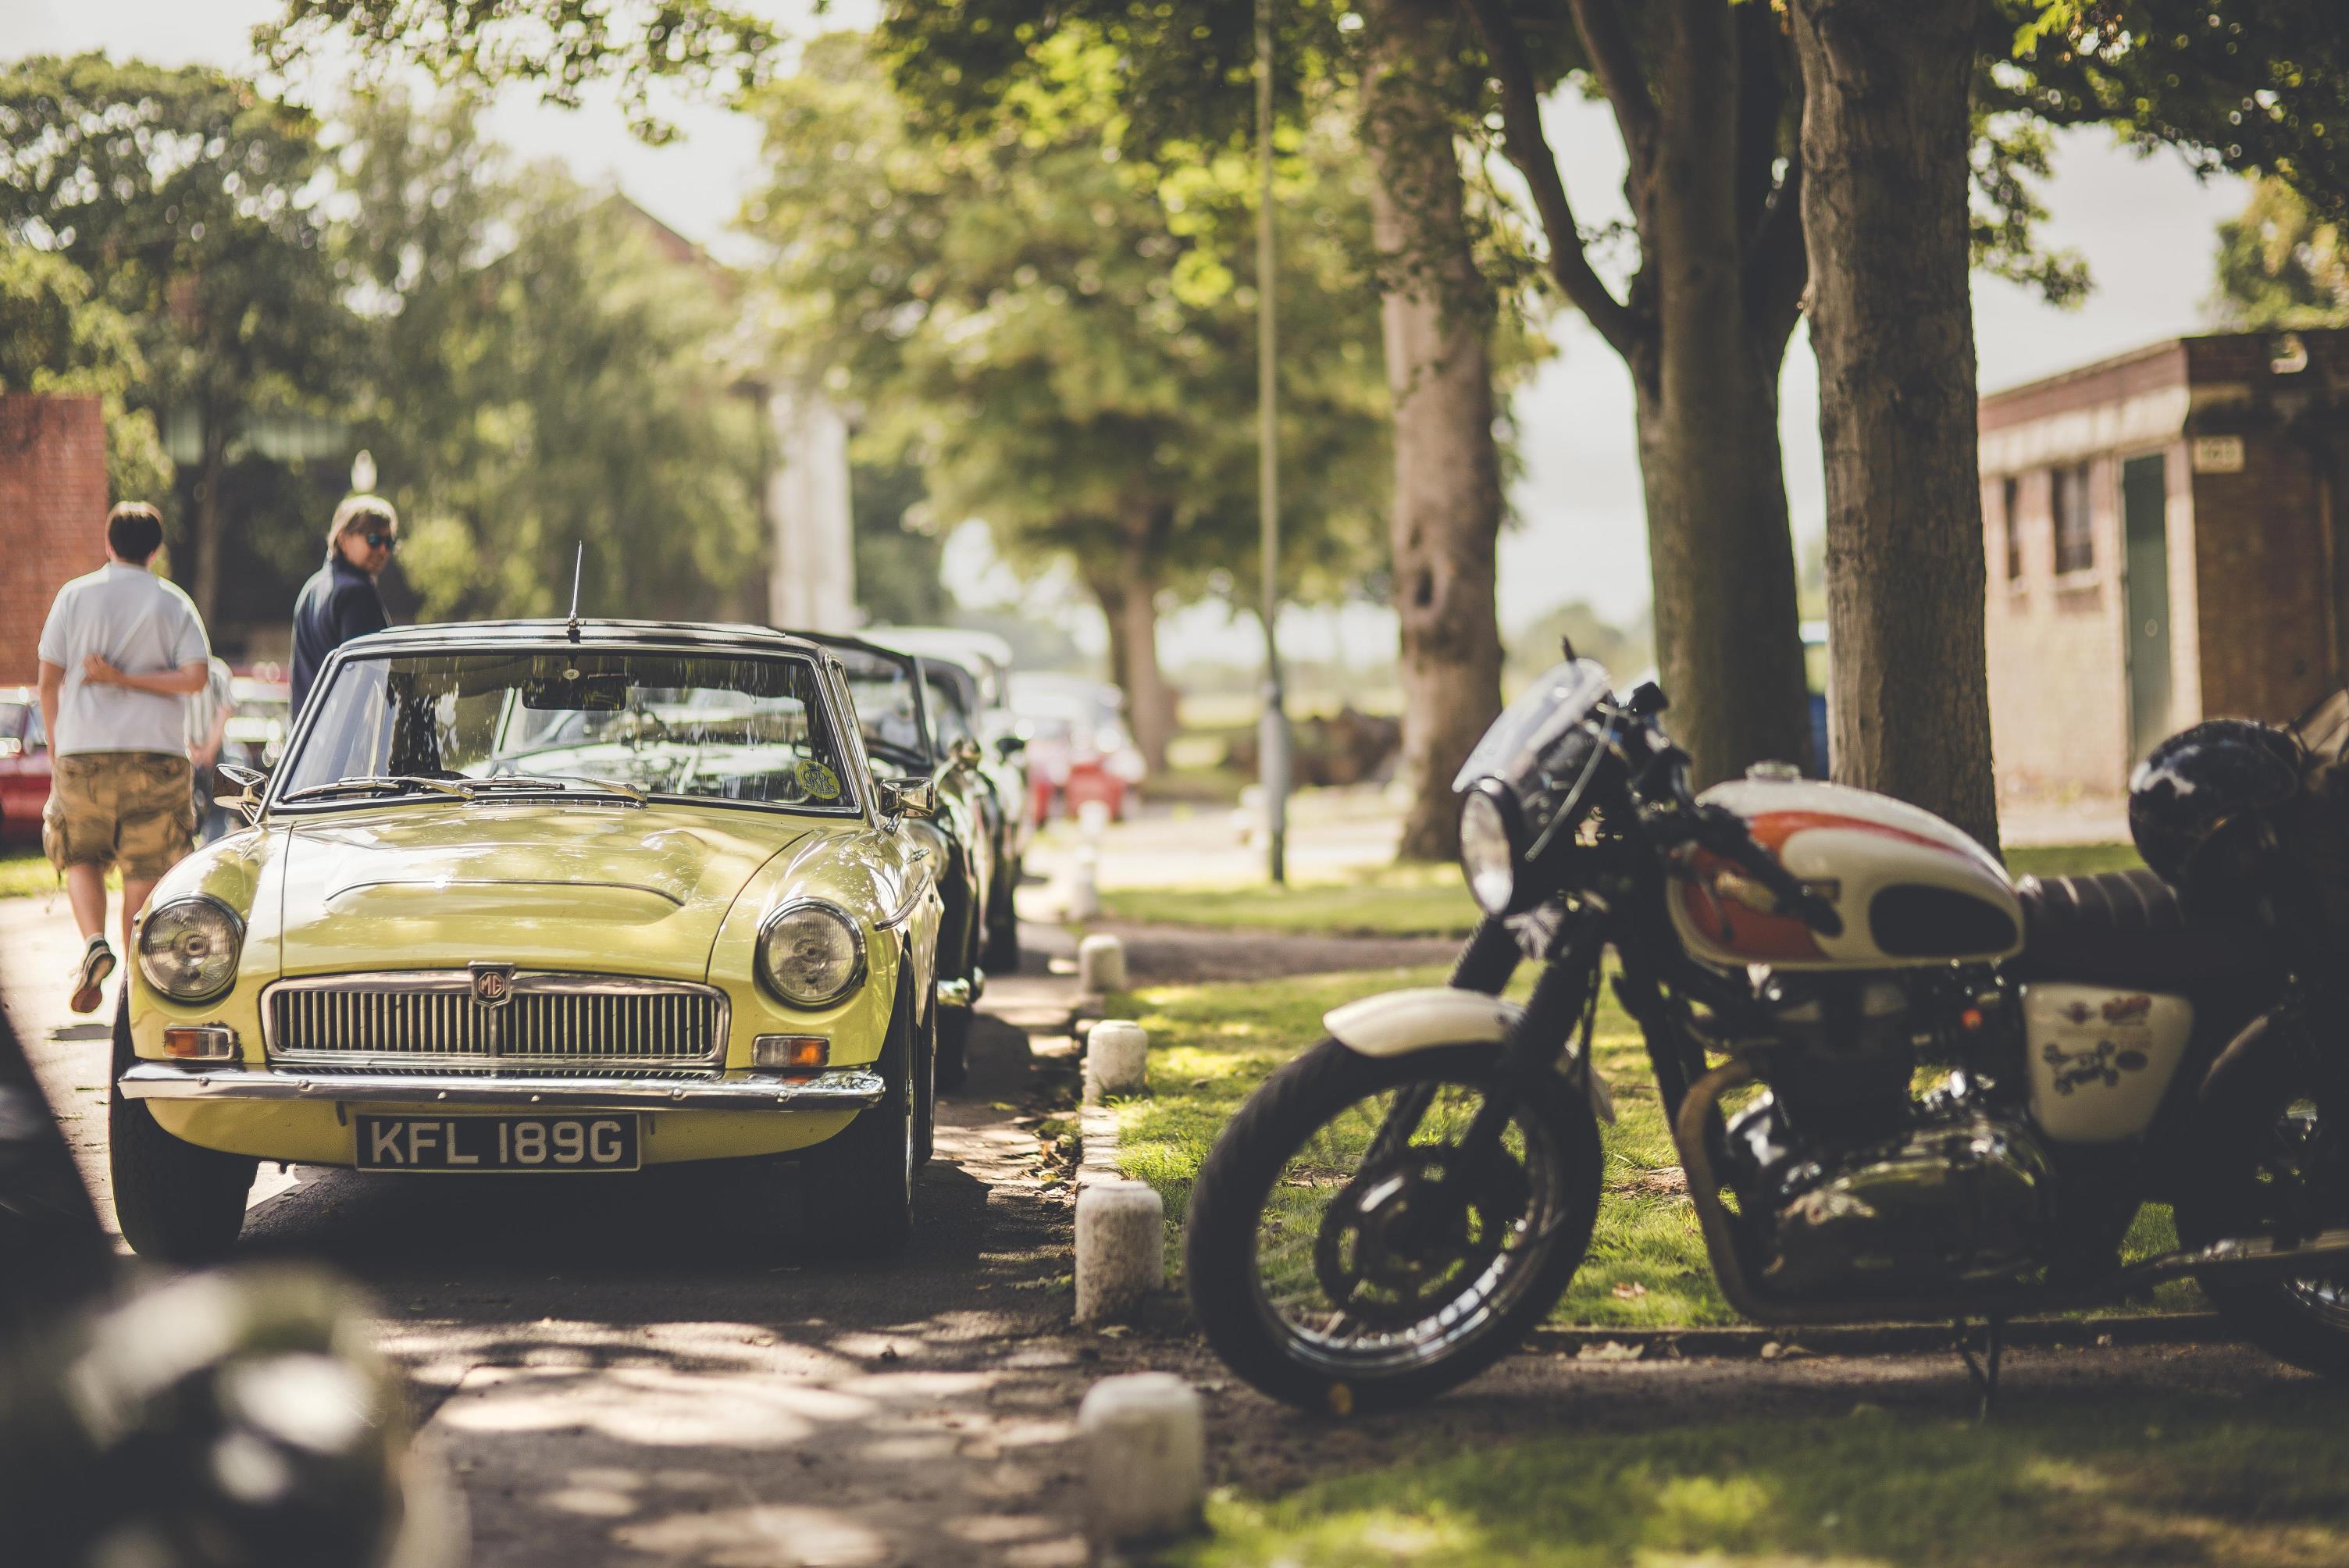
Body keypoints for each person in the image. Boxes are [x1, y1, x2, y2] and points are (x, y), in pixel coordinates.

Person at [35, 503, 211, 1014]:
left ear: (108, 543)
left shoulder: (74, 595)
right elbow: (196, 678)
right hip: (156, 755)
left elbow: (48, 682)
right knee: (145, 864)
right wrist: (132, 680)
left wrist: (57, 748)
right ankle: (134, 988)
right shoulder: (174, 603)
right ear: (155, 550)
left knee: (79, 853)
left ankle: (93, 942)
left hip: (82, 754)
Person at [291, 494, 396, 712]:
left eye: (389, 542)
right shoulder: (356, 593)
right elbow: (368, 679)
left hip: (308, 738)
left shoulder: (311, 589)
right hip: (347, 741)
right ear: (343, 539)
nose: (384, 550)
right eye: (374, 540)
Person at [186, 654, 235, 843]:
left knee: (193, 805)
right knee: (218, 806)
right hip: (210, 749)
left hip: (193, 750)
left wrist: (194, 749)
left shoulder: (182, 672)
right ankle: (212, 849)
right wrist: (209, 749)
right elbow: (225, 710)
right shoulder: (217, 671)